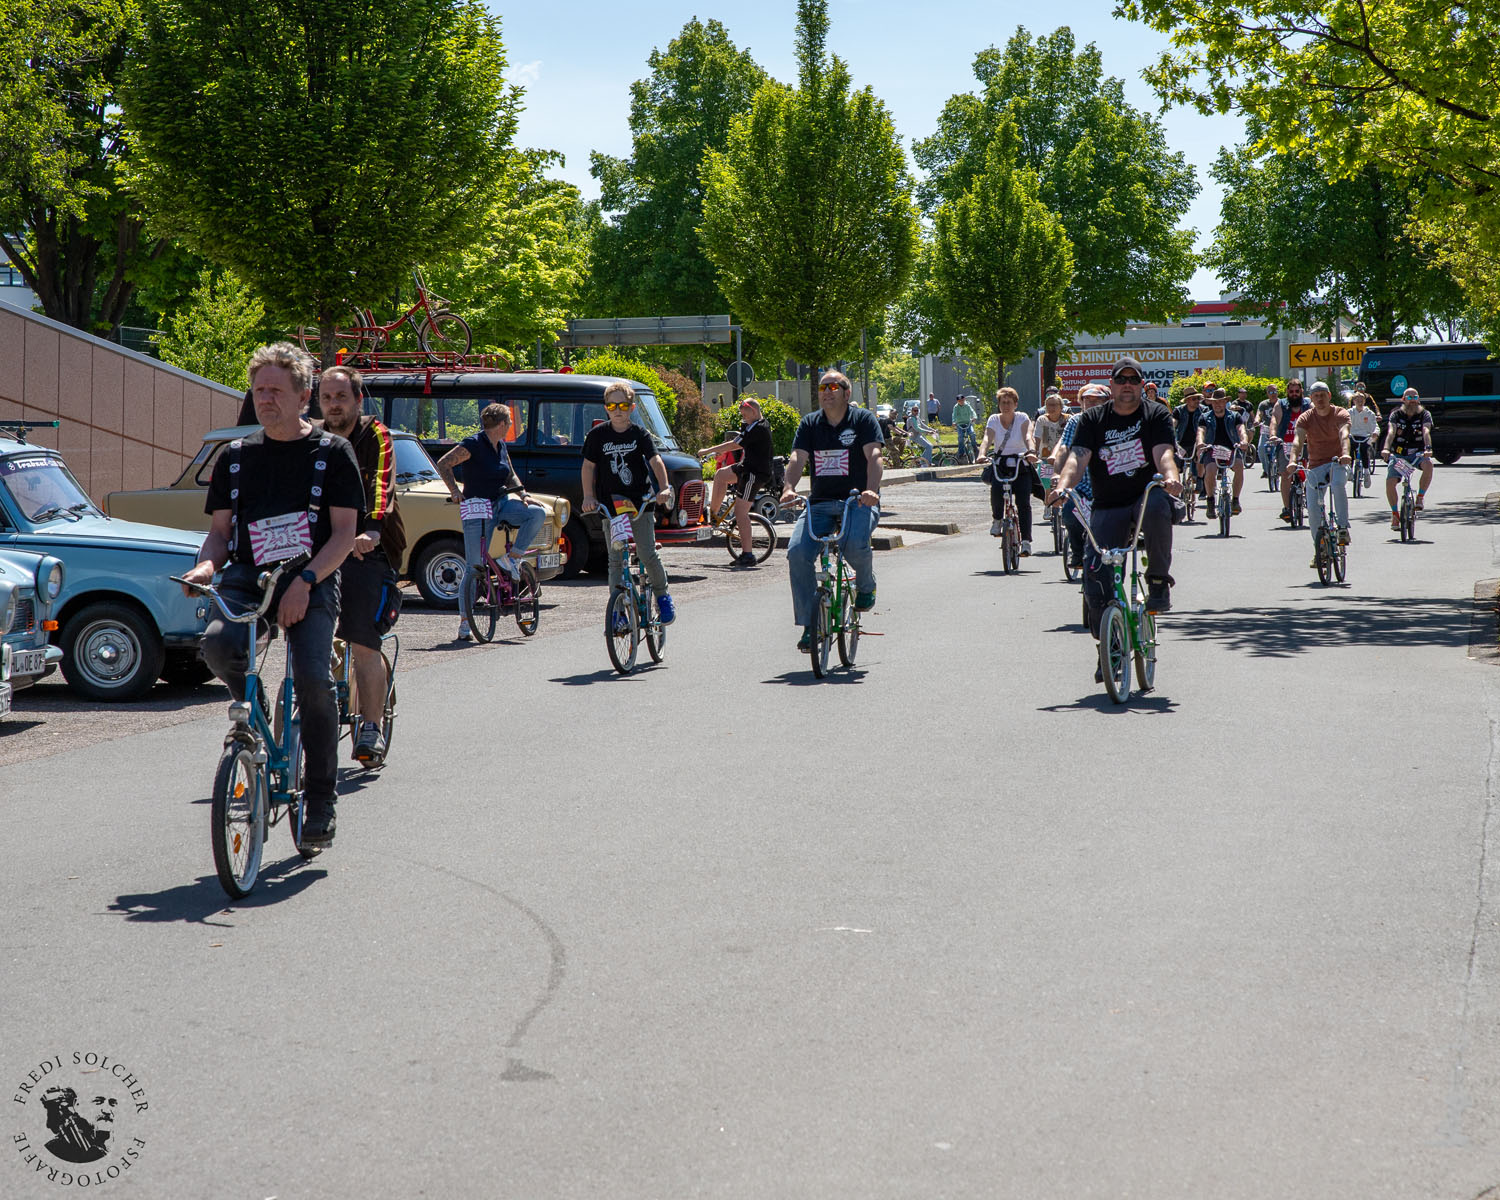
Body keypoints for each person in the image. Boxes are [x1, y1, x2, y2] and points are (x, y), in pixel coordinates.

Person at [183, 342, 362, 852]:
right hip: (247, 576)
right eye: (258, 390)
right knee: (218, 646)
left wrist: (305, 583)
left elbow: (344, 534)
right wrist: (206, 564)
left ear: (303, 396)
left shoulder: (332, 453)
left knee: (312, 681)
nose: (265, 399)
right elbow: (220, 533)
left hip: (312, 576)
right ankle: (252, 700)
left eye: (275, 390)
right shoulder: (235, 458)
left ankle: (322, 800)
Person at [1050, 355, 1182, 635]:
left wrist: (1171, 477)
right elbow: (1077, 458)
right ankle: (1106, 649)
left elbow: (1164, 453)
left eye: (1133, 380)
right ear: (1112, 384)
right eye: (1121, 379)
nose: (1127, 385)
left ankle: (1158, 581)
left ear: (1141, 384)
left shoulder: (1155, 414)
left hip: (1143, 498)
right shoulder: (1092, 418)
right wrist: (1062, 487)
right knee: (1096, 576)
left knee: (1158, 503)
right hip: (1108, 505)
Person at [319, 365, 405, 765]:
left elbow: (381, 484)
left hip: (370, 550)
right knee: (313, 637)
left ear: (358, 399)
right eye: (327, 397)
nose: (334, 405)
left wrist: (371, 530)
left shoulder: (375, 434)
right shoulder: (314, 438)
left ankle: (370, 727)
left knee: (362, 642)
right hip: (324, 551)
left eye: (341, 397)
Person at [779, 370, 881, 652]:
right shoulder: (810, 424)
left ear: (847, 393)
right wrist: (788, 487)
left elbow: (874, 455)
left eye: (834, 386)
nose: (827, 391)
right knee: (797, 552)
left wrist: (871, 490)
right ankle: (811, 625)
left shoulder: (862, 420)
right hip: (820, 502)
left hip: (857, 500)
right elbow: (798, 457)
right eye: (823, 387)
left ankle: (865, 585)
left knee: (853, 544)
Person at [436, 403, 547, 641]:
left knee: (537, 514)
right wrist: (454, 490)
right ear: (500, 424)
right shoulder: (473, 444)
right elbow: (444, 463)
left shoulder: (501, 445)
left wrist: (524, 495)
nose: (510, 426)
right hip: (477, 507)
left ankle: (513, 558)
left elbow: (510, 473)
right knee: (474, 565)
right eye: (508, 423)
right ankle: (466, 622)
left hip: (501, 503)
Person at [582, 381, 676, 623]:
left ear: (632, 407)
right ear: (606, 408)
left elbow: (655, 461)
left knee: (647, 553)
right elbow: (588, 467)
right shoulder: (597, 436)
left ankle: (663, 596)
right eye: (612, 405)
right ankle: (619, 611)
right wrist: (588, 496)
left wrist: (663, 488)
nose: (617, 410)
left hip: (640, 504)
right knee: (615, 559)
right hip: (611, 508)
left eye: (623, 405)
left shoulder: (640, 434)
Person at [701, 396, 774, 566]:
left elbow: (735, 445)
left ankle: (748, 555)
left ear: (754, 411)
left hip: (754, 474)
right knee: (720, 475)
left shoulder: (760, 428)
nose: (743, 418)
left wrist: (708, 450)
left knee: (741, 512)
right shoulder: (752, 425)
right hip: (745, 467)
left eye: (745, 415)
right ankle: (713, 516)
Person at [1292, 380, 1353, 563]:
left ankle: (1342, 527)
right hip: (1315, 465)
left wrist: (1345, 454)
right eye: (1316, 396)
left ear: (1329, 396)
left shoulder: (1340, 413)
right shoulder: (1306, 417)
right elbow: (1297, 440)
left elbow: (1344, 434)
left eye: (1323, 395)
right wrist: (1293, 461)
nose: (1320, 399)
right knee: (1312, 509)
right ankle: (1320, 549)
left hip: (1337, 461)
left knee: (1337, 484)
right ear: (1311, 399)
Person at [1050, 381, 1109, 568]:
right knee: (1069, 513)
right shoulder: (1075, 421)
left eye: (1096, 400)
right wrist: (1058, 474)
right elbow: (1064, 448)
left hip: (1110, 488)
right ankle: (1077, 553)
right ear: (1081, 403)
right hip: (1082, 486)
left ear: (1107, 402)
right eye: (1087, 400)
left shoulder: (1114, 421)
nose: (1091, 404)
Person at [977, 386, 1037, 554]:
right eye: (1003, 403)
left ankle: (1025, 541)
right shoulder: (994, 419)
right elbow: (987, 438)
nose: (1006, 406)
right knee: (996, 490)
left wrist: (1031, 452)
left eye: (1009, 402)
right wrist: (982, 454)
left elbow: (1028, 437)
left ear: (1016, 404)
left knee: (1023, 503)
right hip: (1001, 463)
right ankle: (997, 520)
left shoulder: (1022, 418)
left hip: (1020, 461)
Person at [1381, 386, 1435, 527]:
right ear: (1403, 399)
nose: (1412, 400)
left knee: (1429, 465)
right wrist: (1386, 449)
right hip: (1400, 455)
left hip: (1417, 454)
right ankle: (1395, 514)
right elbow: (1391, 432)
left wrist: (1428, 448)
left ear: (1418, 399)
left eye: (1415, 397)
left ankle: (1420, 497)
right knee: (1390, 483)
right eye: (1409, 397)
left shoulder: (1425, 414)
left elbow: (1426, 431)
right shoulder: (1396, 414)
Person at [1195, 388, 1250, 517]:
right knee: (1210, 470)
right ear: (1211, 403)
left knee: (1239, 467)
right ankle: (1210, 500)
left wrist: (1244, 441)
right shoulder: (1205, 417)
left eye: (1220, 401)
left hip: (1231, 449)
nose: (1217, 404)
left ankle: (1235, 500)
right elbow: (1200, 431)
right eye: (1214, 402)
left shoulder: (1234, 416)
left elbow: (1241, 430)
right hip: (1212, 449)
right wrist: (1200, 443)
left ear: (1225, 402)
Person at [1275, 378, 1311, 520]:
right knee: (1285, 474)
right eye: (1291, 391)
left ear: (1301, 391)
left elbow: (1317, 418)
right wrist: (1273, 435)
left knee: (1311, 473)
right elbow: (1274, 420)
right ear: (1287, 392)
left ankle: (1311, 499)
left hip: (1306, 443)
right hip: (1285, 444)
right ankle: (1287, 508)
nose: (1294, 394)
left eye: (1297, 391)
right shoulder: (1281, 404)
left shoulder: (1308, 404)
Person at [1171, 389, 1206, 491]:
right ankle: (1177, 486)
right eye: (1194, 399)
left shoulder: (1203, 410)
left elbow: (1207, 425)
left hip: (1197, 443)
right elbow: (1173, 424)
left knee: (1201, 455)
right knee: (1175, 464)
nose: (1197, 401)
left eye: (1198, 398)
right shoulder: (1178, 410)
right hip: (1181, 443)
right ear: (1187, 401)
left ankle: (1200, 480)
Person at [1347, 390, 1382, 479]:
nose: (1360, 402)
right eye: (1358, 400)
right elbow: (1344, 423)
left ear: (1364, 401)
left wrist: (1375, 433)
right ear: (1354, 401)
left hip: (1365, 436)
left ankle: (1366, 472)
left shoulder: (1369, 413)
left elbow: (1375, 425)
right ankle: (1350, 470)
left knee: (1364, 450)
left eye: (1362, 400)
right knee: (1350, 448)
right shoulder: (1349, 412)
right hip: (1353, 435)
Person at [1032, 391, 1068, 463]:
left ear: (1061, 407)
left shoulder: (1067, 419)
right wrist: (1034, 453)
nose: (1051, 407)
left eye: (1054, 405)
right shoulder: (1042, 419)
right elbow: (1037, 437)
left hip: (1063, 458)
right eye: (1049, 405)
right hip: (1045, 458)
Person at [1255, 384, 1280, 479]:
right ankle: (1266, 470)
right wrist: (1257, 420)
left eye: (1275, 392)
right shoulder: (1264, 404)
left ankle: (1279, 468)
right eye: (1270, 392)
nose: (1273, 394)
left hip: (1278, 430)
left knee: (1281, 450)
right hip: (1266, 430)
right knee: (1261, 449)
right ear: (1267, 393)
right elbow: (1259, 414)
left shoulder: (1281, 403)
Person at [905, 402, 935, 466]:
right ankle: (927, 462)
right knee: (928, 447)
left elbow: (923, 425)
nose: (916, 412)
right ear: (912, 411)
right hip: (914, 437)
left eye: (917, 410)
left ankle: (922, 460)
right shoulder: (911, 419)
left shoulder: (917, 417)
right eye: (915, 411)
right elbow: (917, 428)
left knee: (930, 446)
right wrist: (928, 432)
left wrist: (932, 429)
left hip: (919, 435)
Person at [951, 393, 979, 460]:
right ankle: (961, 453)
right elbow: (954, 415)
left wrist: (974, 417)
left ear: (964, 399)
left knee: (972, 434)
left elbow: (972, 411)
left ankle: (974, 446)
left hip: (968, 423)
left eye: (962, 400)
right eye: (959, 401)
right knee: (961, 437)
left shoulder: (967, 405)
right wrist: (954, 421)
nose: (961, 402)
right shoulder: (956, 407)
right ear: (957, 401)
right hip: (960, 424)